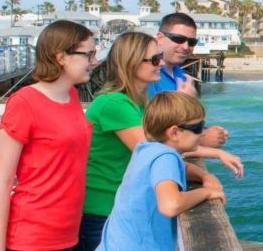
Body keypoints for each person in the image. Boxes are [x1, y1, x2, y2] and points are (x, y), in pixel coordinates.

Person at [75, 32, 243, 251]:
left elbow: (160, 154)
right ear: (131, 63)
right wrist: (207, 185)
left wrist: (204, 174)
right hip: (102, 209)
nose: (161, 63)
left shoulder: (138, 103)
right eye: (154, 59)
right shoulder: (114, 103)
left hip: (121, 208)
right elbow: (156, 154)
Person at [0, 20, 98, 250]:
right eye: (88, 55)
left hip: (69, 233)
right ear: (61, 57)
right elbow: (2, 181)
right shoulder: (23, 103)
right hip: (32, 237)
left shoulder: (71, 95)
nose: (95, 62)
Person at [96, 91, 226, 251]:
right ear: (174, 133)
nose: (203, 132)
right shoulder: (165, 157)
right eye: (198, 127)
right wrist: (206, 193)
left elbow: (180, 168)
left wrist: (204, 175)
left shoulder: (147, 149)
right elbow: (171, 205)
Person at [148, 13, 228, 148]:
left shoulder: (181, 74)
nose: (185, 47)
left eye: (191, 42)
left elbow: (182, 121)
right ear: (160, 38)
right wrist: (200, 139)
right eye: (178, 39)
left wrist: (204, 130)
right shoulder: (148, 75)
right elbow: (147, 131)